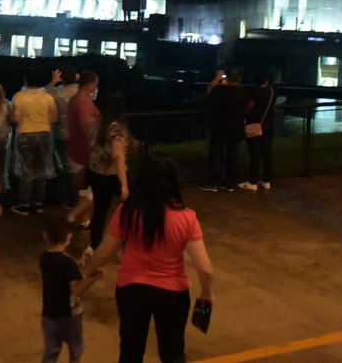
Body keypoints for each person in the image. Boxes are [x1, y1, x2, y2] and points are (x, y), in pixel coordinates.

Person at [87, 153, 214, 363]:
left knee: (130, 351)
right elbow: (205, 268)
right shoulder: (186, 217)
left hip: (132, 290)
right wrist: (207, 293)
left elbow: (103, 252)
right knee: (172, 353)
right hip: (172, 294)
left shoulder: (127, 212)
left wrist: (91, 269)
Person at [40, 213, 103, 363]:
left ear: (45, 236)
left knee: (51, 350)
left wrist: (78, 263)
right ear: (69, 237)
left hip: (49, 314)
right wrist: (92, 278)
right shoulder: (68, 264)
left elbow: (60, 269)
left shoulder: (44, 258)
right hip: (69, 316)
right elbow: (76, 290)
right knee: (76, 347)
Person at [11, 67, 58, 216]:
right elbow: (55, 118)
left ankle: (25, 203)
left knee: (27, 170)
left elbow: (14, 119)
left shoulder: (18, 97)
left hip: (25, 134)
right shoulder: (48, 98)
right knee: (41, 169)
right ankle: (38, 203)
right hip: (44, 134)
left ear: (26, 80)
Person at [87, 90, 131, 249]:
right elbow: (118, 157)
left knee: (99, 211)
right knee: (129, 209)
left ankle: (95, 246)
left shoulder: (96, 122)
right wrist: (124, 185)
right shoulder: (116, 129)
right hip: (112, 174)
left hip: (95, 172)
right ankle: (128, 246)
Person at [200, 69, 249, 192]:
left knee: (216, 155)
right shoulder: (243, 92)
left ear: (227, 79)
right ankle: (229, 183)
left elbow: (210, 89)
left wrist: (217, 77)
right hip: (237, 128)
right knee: (232, 155)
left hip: (220, 127)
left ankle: (214, 183)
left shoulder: (220, 90)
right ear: (239, 79)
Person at [65, 71, 99, 227]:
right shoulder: (83, 101)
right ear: (91, 84)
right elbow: (88, 127)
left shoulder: (75, 99)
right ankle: (74, 216)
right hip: (84, 151)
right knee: (91, 191)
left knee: (84, 190)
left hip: (76, 149)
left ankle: (84, 220)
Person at [47, 65, 80, 209]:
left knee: (66, 167)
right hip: (79, 134)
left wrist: (53, 81)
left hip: (61, 134)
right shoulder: (81, 91)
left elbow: (43, 93)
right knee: (76, 167)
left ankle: (69, 198)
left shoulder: (57, 93)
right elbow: (95, 91)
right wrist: (79, 78)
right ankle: (74, 199)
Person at [238, 71, 275, 191]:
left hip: (255, 125)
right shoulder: (272, 92)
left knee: (255, 153)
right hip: (268, 126)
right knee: (267, 152)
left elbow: (248, 107)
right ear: (267, 81)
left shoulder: (256, 92)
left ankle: (252, 181)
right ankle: (267, 180)